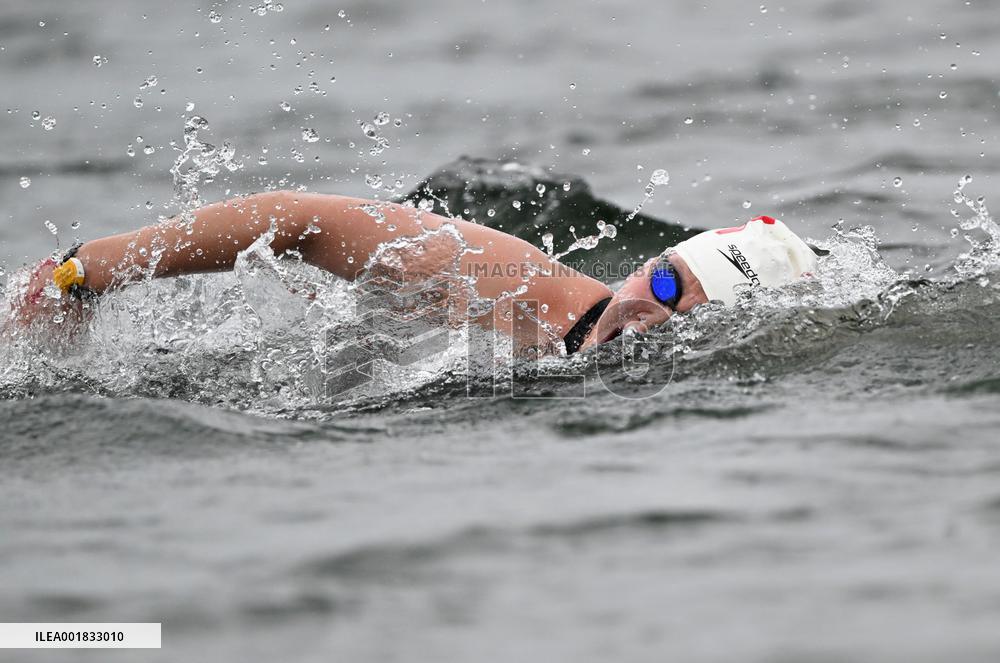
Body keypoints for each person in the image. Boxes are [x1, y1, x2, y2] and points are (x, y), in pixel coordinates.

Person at [8, 191, 819, 355]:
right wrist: (84, 272)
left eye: (682, 304)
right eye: (663, 278)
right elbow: (301, 218)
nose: (651, 307)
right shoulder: (526, 293)